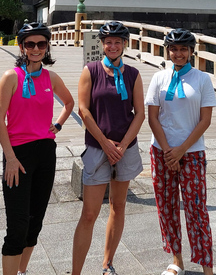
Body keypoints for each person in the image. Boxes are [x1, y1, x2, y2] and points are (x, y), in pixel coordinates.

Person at [0, 22, 75, 275]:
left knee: (35, 221)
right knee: (16, 225)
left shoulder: (51, 77)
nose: (36, 49)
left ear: (47, 46)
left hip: (45, 153)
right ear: (21, 47)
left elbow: (69, 102)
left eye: (41, 43)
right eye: (30, 44)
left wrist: (58, 125)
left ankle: (22, 270)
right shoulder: (11, 77)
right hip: (18, 155)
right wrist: (9, 158)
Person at [71, 21, 145, 275]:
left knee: (118, 205)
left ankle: (107, 263)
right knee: (89, 213)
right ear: (102, 45)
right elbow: (83, 110)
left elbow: (140, 113)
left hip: (125, 148)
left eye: (118, 42)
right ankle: (76, 271)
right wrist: (105, 143)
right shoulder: (90, 70)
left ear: (125, 44)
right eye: (108, 42)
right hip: (96, 147)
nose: (113, 46)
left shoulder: (133, 74)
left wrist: (122, 145)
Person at [146, 28, 216, 275]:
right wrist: (168, 151)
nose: (178, 54)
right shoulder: (158, 78)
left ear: (191, 52)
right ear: (167, 51)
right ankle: (177, 261)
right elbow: (152, 117)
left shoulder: (202, 79)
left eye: (183, 49)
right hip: (161, 152)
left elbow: (205, 120)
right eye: (174, 49)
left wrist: (181, 151)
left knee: (197, 210)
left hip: (192, 152)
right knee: (167, 206)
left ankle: (207, 266)